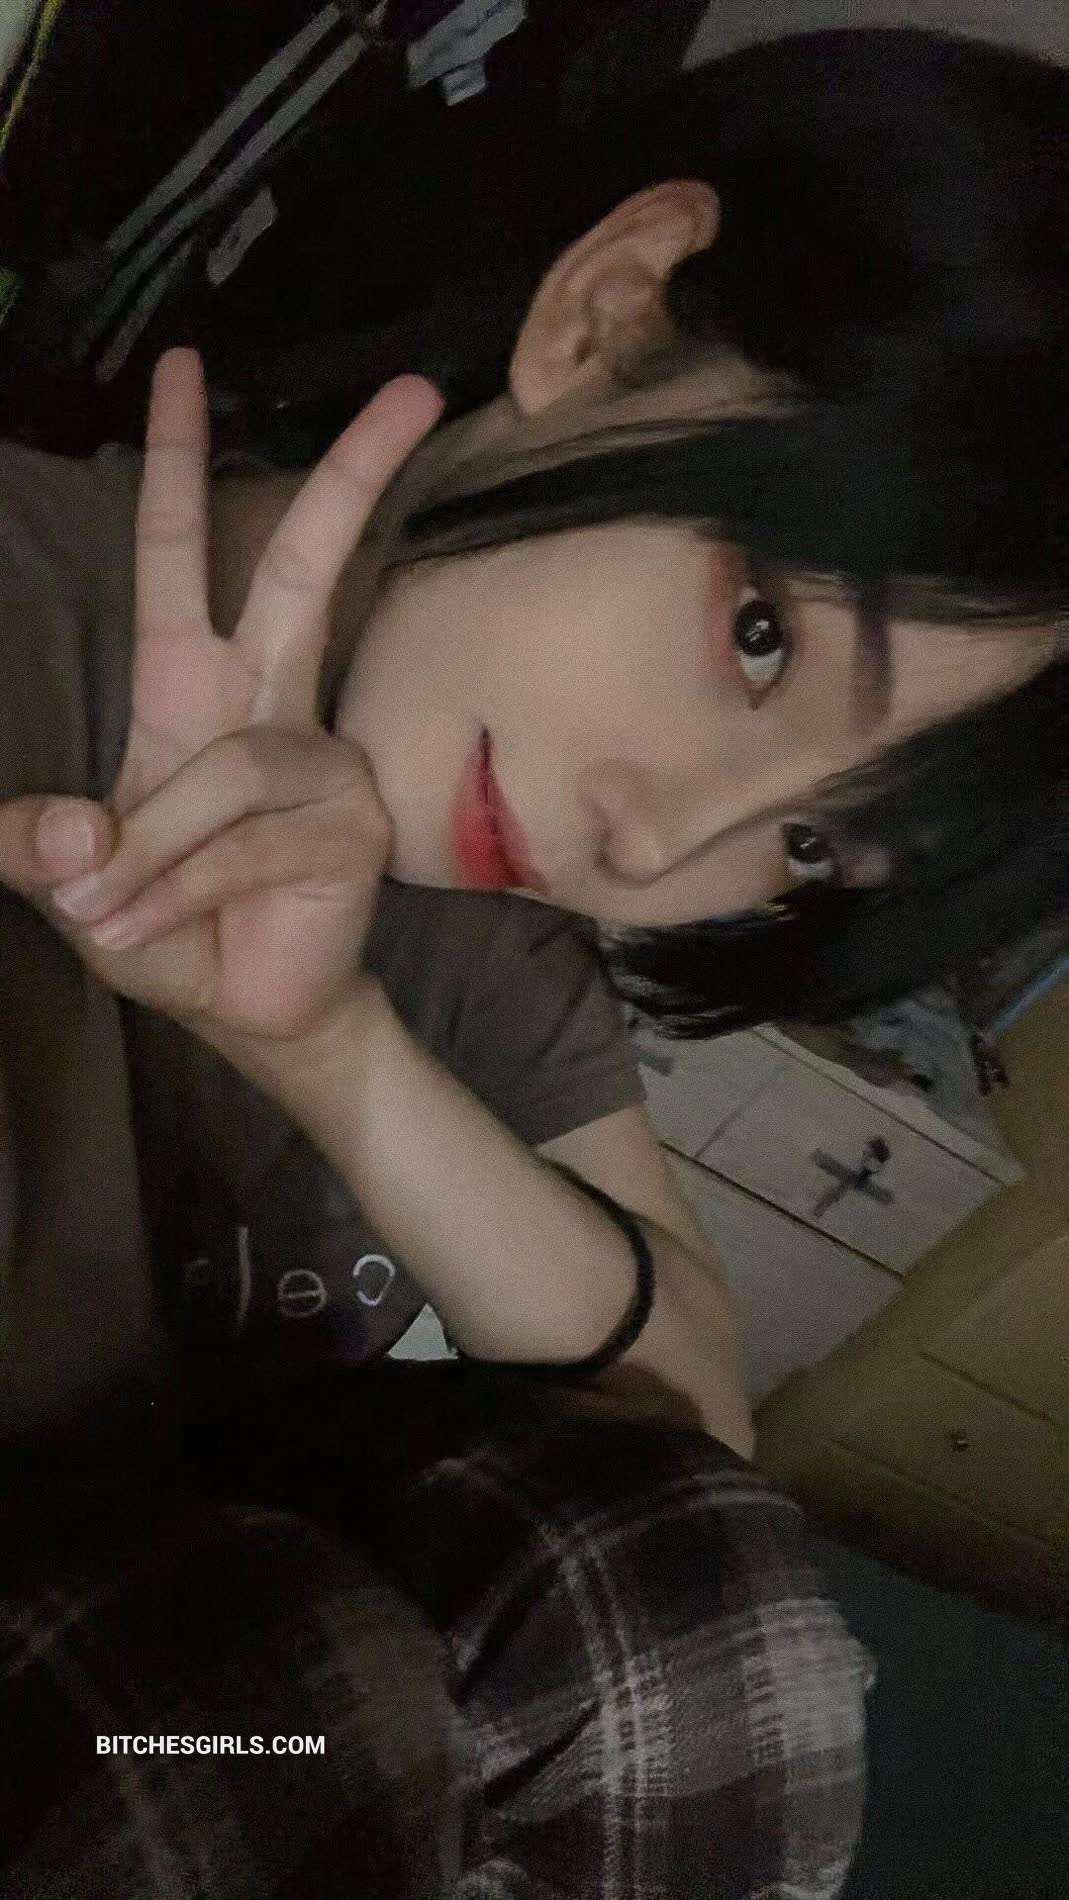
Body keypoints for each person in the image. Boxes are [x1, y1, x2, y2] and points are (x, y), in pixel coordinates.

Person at [0, 24, 1063, 1896]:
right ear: (609, 311)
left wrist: (328, 1047)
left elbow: (682, 1435)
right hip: (152, 1739)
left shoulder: (475, 907)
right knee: (303, 1699)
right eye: (759, 635)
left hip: (188, 1753)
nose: (658, 849)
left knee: (700, 1635)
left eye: (810, 850)